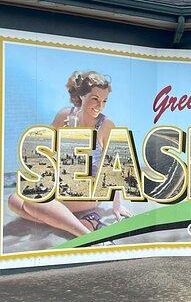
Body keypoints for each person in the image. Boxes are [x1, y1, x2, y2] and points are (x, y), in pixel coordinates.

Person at [8, 71, 132, 239]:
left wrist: (117, 206)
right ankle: (81, 222)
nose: (100, 106)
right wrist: (63, 136)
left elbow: (116, 169)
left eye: (104, 101)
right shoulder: (64, 115)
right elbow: (43, 150)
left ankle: (88, 237)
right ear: (81, 96)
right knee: (13, 199)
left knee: (32, 202)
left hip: (89, 191)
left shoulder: (106, 125)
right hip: (63, 184)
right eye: (95, 99)